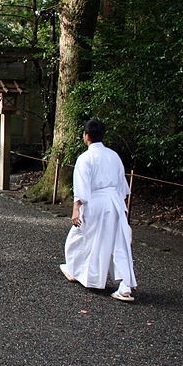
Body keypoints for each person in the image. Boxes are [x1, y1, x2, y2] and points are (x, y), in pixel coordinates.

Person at [60, 119, 137, 302]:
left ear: (86, 136)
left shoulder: (85, 158)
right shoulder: (113, 156)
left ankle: (82, 272)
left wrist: (76, 209)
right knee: (119, 243)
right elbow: (121, 185)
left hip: (96, 202)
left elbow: (81, 187)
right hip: (115, 202)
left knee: (81, 238)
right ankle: (124, 285)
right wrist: (119, 205)